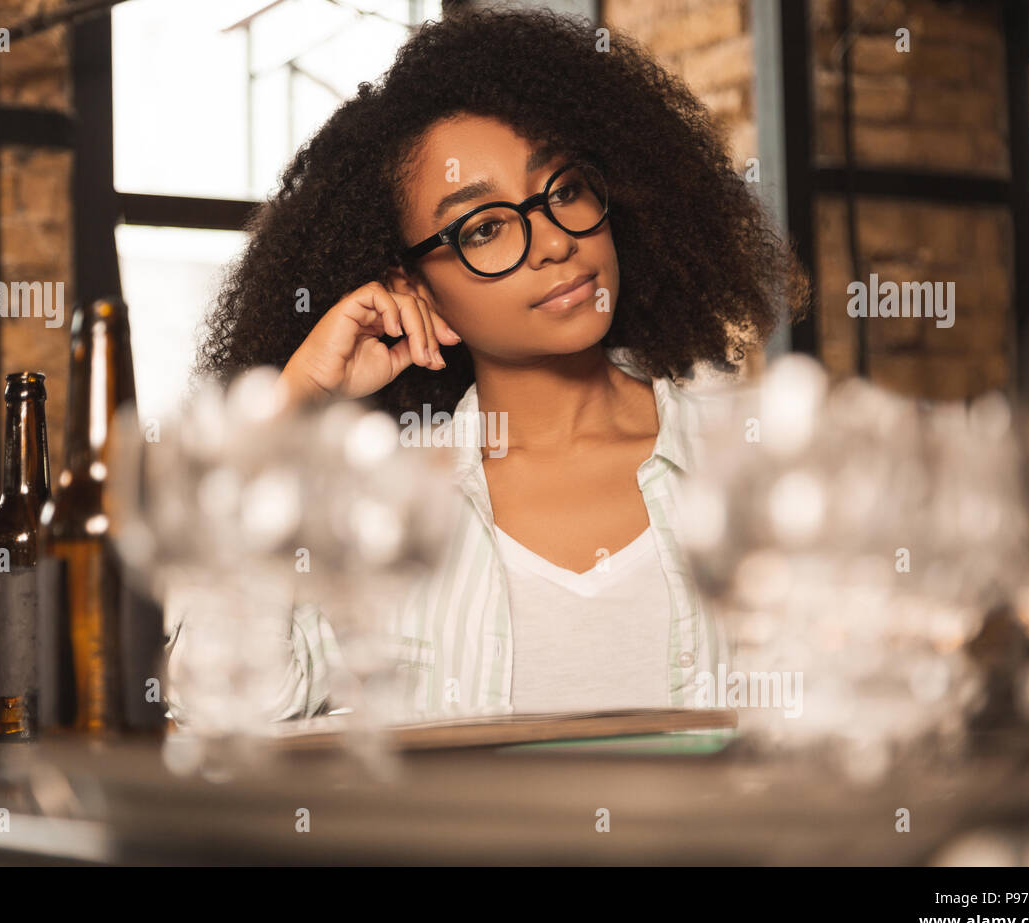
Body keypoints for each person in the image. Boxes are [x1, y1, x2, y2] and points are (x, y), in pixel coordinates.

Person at [189, 7, 809, 722]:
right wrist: (290, 403)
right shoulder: (376, 508)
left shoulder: (749, 466)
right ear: (412, 286)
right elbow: (222, 702)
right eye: (484, 228)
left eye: (565, 189)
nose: (551, 243)